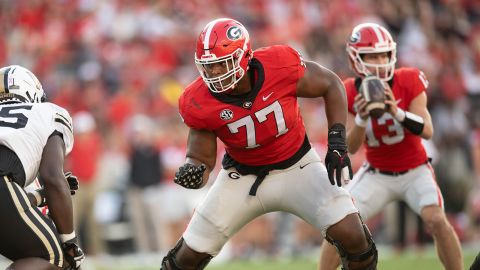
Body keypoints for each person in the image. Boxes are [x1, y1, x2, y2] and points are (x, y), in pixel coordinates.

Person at [160, 18, 378, 270]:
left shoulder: (279, 64)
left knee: (355, 237)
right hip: (241, 177)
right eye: (208, 67)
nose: (215, 73)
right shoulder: (197, 99)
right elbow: (201, 158)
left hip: (298, 166)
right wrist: (194, 171)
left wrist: (337, 141)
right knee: (183, 259)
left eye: (222, 64)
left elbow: (331, 84)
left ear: (244, 56)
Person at [318, 23, 463, 270]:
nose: (379, 61)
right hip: (377, 173)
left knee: (436, 219)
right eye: (371, 56)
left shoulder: (409, 79)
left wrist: (396, 112)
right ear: (356, 59)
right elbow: (350, 148)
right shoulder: (349, 90)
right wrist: (362, 119)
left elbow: (427, 130)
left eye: (383, 54)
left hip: (415, 169)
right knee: (340, 224)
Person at [0, 65, 85, 270]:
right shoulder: (46, 111)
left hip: (6, 186)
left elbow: (15, 205)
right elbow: (52, 177)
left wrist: (41, 196)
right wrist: (70, 242)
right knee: (52, 259)